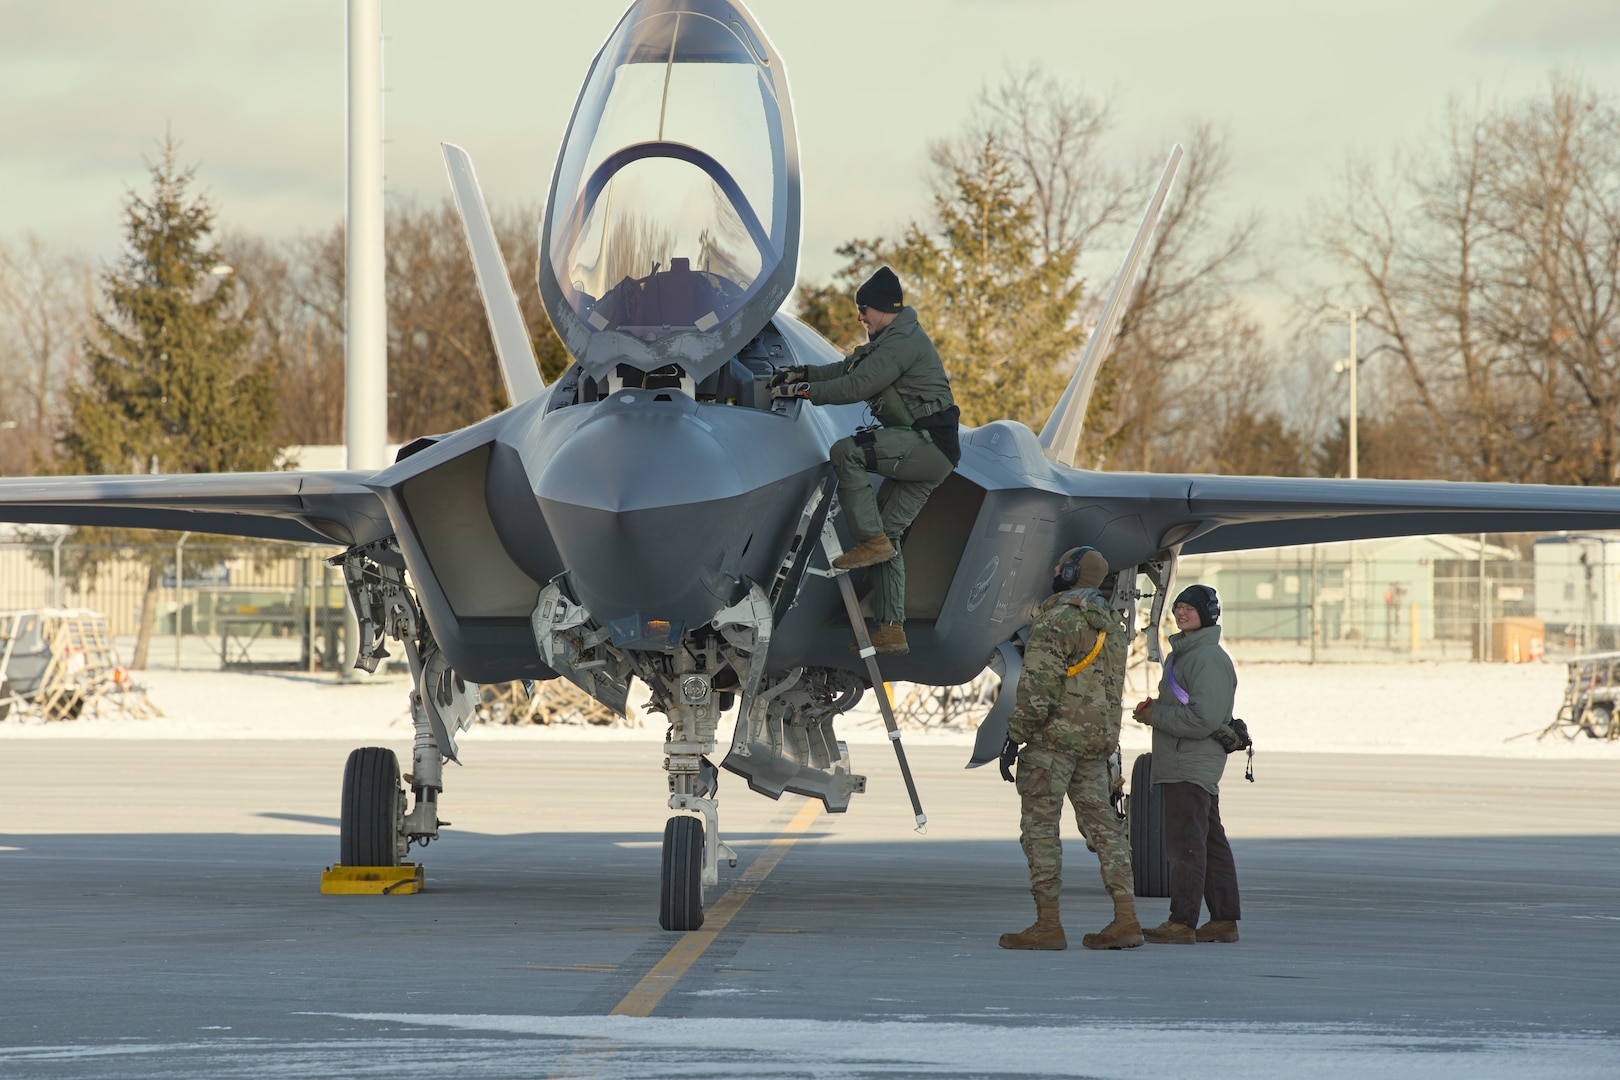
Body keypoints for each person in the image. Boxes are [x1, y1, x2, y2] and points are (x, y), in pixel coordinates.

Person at [768, 267, 958, 656]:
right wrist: (804, 373)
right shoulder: (886, 340)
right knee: (890, 538)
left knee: (846, 452)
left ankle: (870, 541)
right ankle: (891, 630)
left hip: (926, 445)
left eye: (864, 308)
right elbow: (846, 368)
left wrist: (805, 391)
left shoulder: (900, 343)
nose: (860, 316)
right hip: (927, 448)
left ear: (884, 309)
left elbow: (856, 386)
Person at [997, 547, 1142, 951]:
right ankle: (1126, 919)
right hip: (1095, 745)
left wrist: (1015, 735)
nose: (1056, 571)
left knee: (1040, 830)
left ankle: (1047, 924)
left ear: (1073, 573)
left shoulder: (1056, 620)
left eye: (1062, 567)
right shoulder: (1112, 624)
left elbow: (1037, 688)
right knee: (1106, 830)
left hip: (1052, 743)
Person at [1132, 584, 1242, 944]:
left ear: (1207, 614)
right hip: (1185, 761)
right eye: (1178, 607)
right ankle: (1223, 921)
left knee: (1186, 846)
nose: (1180, 613)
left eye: (1189, 609)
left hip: (1188, 763)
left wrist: (1153, 715)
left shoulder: (1207, 658)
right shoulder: (1187, 654)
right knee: (1208, 842)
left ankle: (1182, 923)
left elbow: (1202, 720)